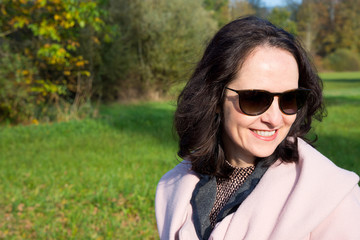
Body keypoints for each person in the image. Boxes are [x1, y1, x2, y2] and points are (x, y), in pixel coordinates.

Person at [155, 16, 360, 240]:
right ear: (214, 99)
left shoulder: (331, 197)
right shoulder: (174, 187)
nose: (274, 119)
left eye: (290, 99)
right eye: (255, 99)